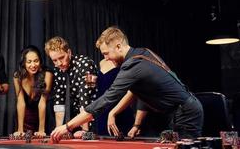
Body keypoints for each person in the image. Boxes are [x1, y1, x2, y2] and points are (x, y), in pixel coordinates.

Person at [51, 26, 203, 142]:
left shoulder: (132, 65)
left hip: (185, 112)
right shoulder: (143, 52)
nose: (106, 58)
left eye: (106, 53)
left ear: (118, 46)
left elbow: (108, 98)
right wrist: (120, 116)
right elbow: (138, 92)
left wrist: (67, 126)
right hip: (182, 110)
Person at [45, 36, 98, 137]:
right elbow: (59, 100)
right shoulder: (58, 69)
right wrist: (59, 130)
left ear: (69, 52)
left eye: (61, 58)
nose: (59, 63)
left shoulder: (85, 64)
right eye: (55, 60)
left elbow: (86, 98)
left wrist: (86, 132)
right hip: (76, 119)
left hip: (93, 118)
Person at [13, 45, 53, 138]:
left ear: (40, 61)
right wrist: (20, 129)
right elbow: (20, 102)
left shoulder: (47, 74)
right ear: (24, 63)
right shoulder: (17, 76)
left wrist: (41, 130)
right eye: (29, 62)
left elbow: (42, 102)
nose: (33, 65)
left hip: (43, 117)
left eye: (36, 61)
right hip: (25, 119)